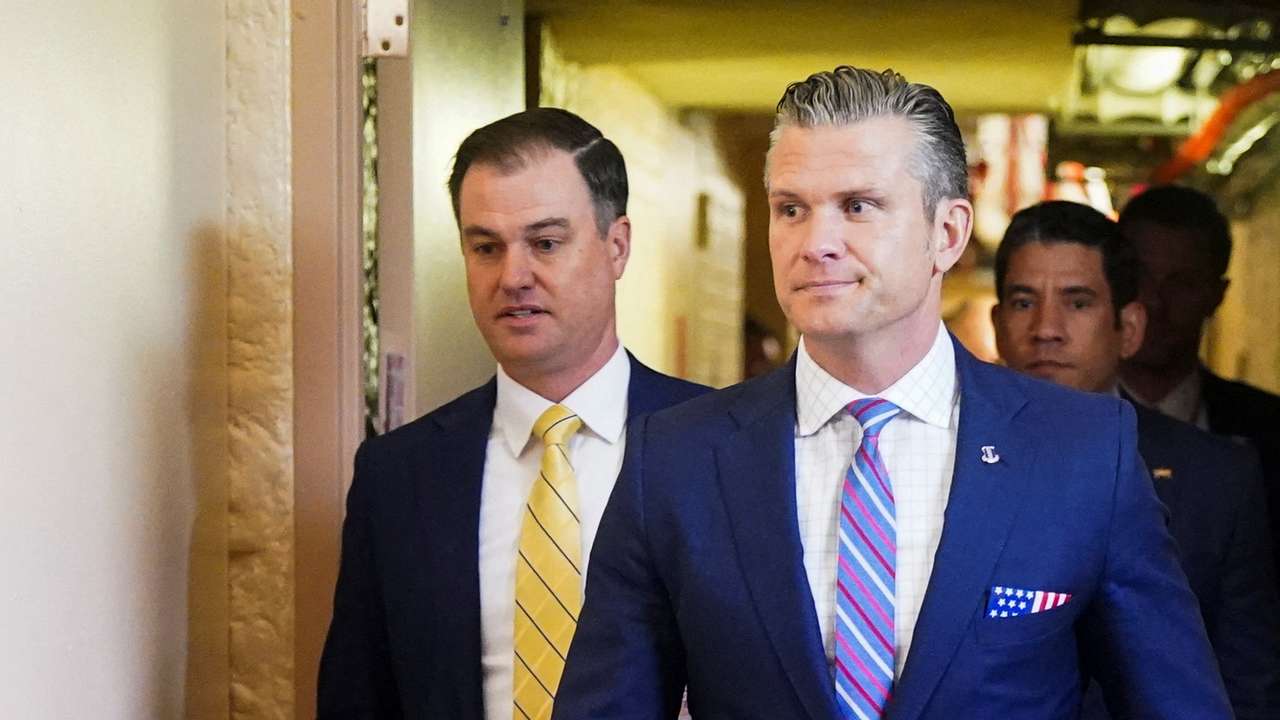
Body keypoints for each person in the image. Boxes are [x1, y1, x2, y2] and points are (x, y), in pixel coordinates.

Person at [553, 66, 1231, 719]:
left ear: (948, 233)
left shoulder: (1082, 455)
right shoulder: (674, 461)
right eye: (791, 208)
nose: (817, 242)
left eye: (859, 206)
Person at [316, 107, 708, 720]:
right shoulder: (398, 476)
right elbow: (358, 697)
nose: (513, 276)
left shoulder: (723, 446)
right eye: (486, 247)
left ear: (617, 246)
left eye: (545, 243)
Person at [990, 199, 1280, 718]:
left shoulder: (1218, 477)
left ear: (1129, 328)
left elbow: (1247, 681)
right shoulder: (944, 459)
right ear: (996, 323)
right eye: (1022, 302)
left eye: (1078, 303)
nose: (1046, 328)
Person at [1118, 185, 1280, 583]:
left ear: (1217, 295)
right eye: (1141, 278)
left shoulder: (1271, 436)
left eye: (1181, 282)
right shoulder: (1061, 422)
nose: (1155, 302)